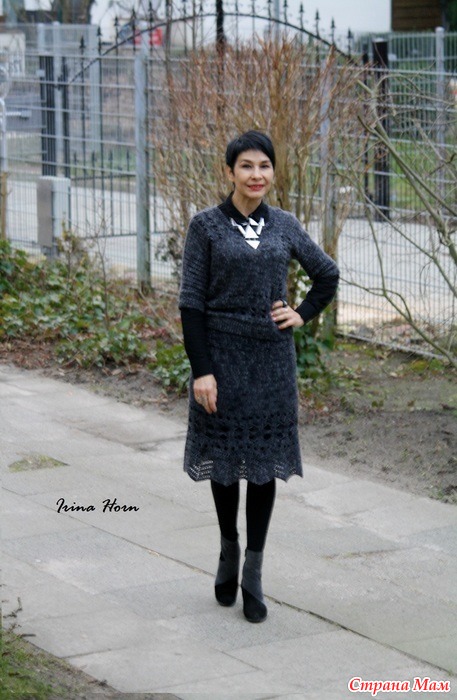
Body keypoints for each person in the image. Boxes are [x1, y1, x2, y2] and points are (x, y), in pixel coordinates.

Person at [179, 130, 339, 623]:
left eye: (264, 166)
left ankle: (253, 570)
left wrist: (301, 313)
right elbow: (190, 305)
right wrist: (202, 371)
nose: (256, 175)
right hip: (222, 360)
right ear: (230, 172)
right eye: (246, 166)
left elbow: (327, 274)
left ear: (273, 171)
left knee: (264, 465)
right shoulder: (205, 227)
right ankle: (229, 548)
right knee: (225, 462)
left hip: (271, 363)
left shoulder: (284, 224)